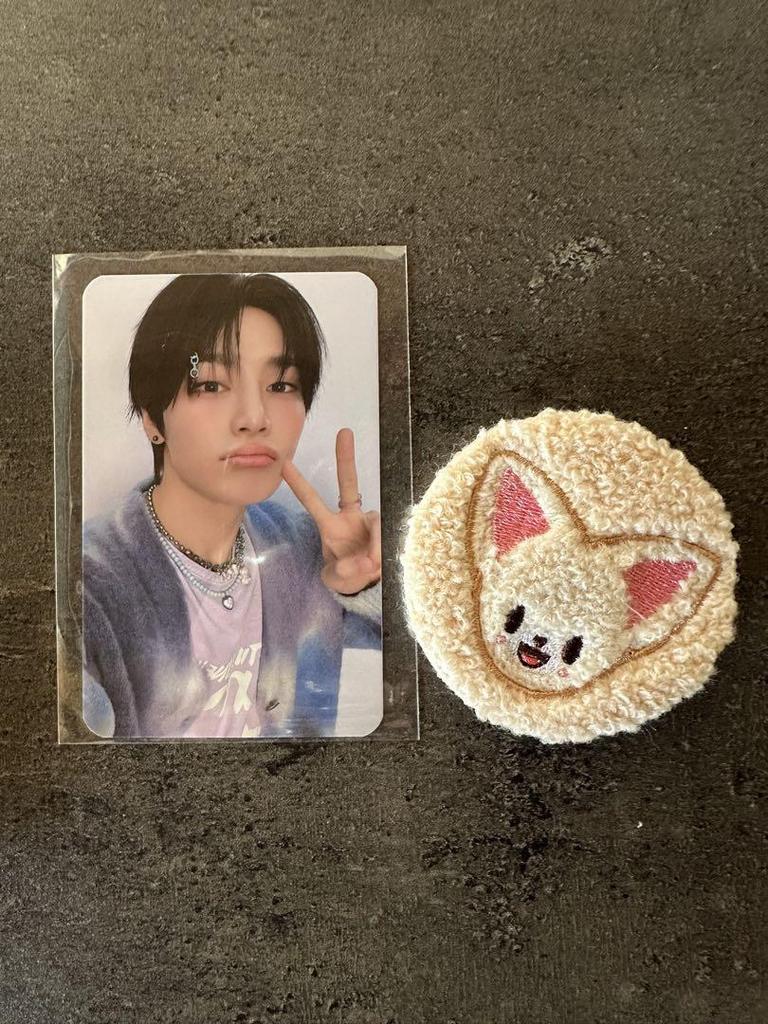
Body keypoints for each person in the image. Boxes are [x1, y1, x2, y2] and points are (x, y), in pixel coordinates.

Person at [82, 273, 382, 740]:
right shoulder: (90, 582)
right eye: (211, 385)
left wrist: (372, 584)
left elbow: (447, 656)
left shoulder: (310, 550)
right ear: (151, 418)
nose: (255, 418)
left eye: (281, 385)